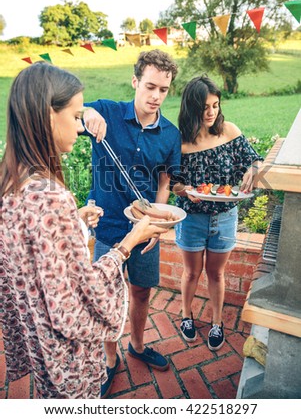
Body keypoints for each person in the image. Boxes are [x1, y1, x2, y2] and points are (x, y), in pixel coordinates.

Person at [0, 62, 168, 399]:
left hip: (42, 346)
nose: (80, 129)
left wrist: (73, 220)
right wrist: (132, 239)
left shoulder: (14, 179)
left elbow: (34, 255)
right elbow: (76, 302)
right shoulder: (50, 198)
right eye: (76, 116)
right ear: (49, 115)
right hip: (70, 357)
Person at [82, 49, 181, 397]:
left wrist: (158, 219)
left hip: (146, 231)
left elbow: (166, 181)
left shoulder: (170, 134)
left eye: (163, 90)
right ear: (135, 82)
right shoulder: (106, 110)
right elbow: (65, 109)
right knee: (105, 298)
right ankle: (111, 361)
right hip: (108, 228)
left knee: (141, 292)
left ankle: (137, 346)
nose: (155, 96)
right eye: (149, 86)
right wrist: (86, 111)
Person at [172, 74, 263, 351]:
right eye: (205, 106)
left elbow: (253, 159)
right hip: (191, 218)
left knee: (216, 274)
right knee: (191, 272)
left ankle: (216, 322)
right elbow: (171, 181)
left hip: (225, 217)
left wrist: (253, 169)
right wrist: (183, 190)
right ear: (191, 107)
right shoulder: (180, 143)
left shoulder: (230, 132)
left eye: (215, 105)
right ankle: (186, 316)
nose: (211, 112)